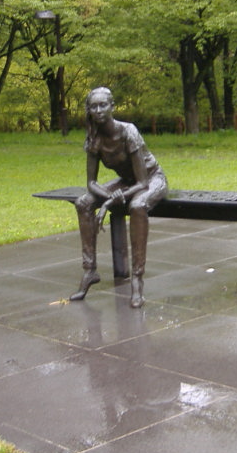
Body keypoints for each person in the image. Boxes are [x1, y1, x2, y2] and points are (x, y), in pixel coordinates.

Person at [72, 87, 168, 307]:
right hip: (126, 181)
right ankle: (89, 270)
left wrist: (110, 200)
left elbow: (142, 183)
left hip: (152, 178)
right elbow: (91, 183)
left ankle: (137, 278)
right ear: (89, 110)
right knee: (83, 203)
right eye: (93, 107)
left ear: (112, 107)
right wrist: (109, 195)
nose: (98, 110)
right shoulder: (94, 138)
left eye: (103, 105)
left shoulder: (128, 131)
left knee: (137, 206)